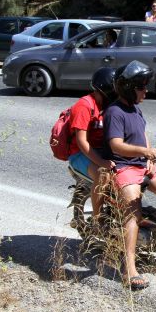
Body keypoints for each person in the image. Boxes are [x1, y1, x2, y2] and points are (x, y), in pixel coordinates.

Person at [104, 61, 156, 290]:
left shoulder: (136, 108)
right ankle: (129, 267)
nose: (146, 91)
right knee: (132, 214)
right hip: (125, 167)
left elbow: (143, 134)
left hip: (143, 165)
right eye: (141, 87)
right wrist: (144, 152)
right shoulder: (114, 112)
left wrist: (150, 159)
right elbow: (116, 145)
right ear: (129, 88)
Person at [68, 67, 117, 226]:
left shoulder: (109, 106)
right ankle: (98, 221)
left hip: (101, 151)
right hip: (80, 154)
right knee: (103, 175)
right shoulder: (84, 106)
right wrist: (102, 163)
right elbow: (82, 142)